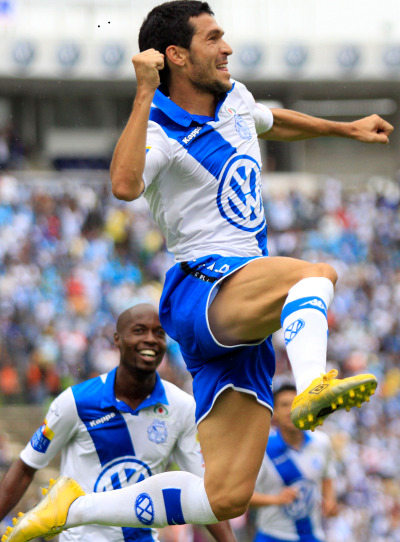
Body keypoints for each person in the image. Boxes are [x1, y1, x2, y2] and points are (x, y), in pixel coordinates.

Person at [2, 2, 393, 541]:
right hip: (204, 287)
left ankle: (73, 506)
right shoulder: (159, 128)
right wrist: (143, 92)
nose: (227, 47)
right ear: (177, 56)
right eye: (213, 38)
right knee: (314, 274)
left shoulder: (236, 100)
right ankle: (311, 386)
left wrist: (345, 128)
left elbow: (272, 122)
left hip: (239, 314)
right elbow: (124, 184)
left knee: (223, 497)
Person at [0, 304, 235, 542]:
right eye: (139, 331)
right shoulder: (76, 402)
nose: (151, 339)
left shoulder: (182, 407)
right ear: (117, 339)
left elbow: (202, 493)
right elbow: (26, 467)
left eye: (159, 333)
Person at [249, 383, 337, 542]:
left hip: (312, 536)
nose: (291, 410)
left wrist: (330, 501)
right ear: (274, 411)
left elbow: (327, 476)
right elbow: (243, 497)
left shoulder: (321, 442)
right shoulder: (261, 448)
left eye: (297, 403)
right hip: (272, 536)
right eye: (284, 405)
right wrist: (276, 499)